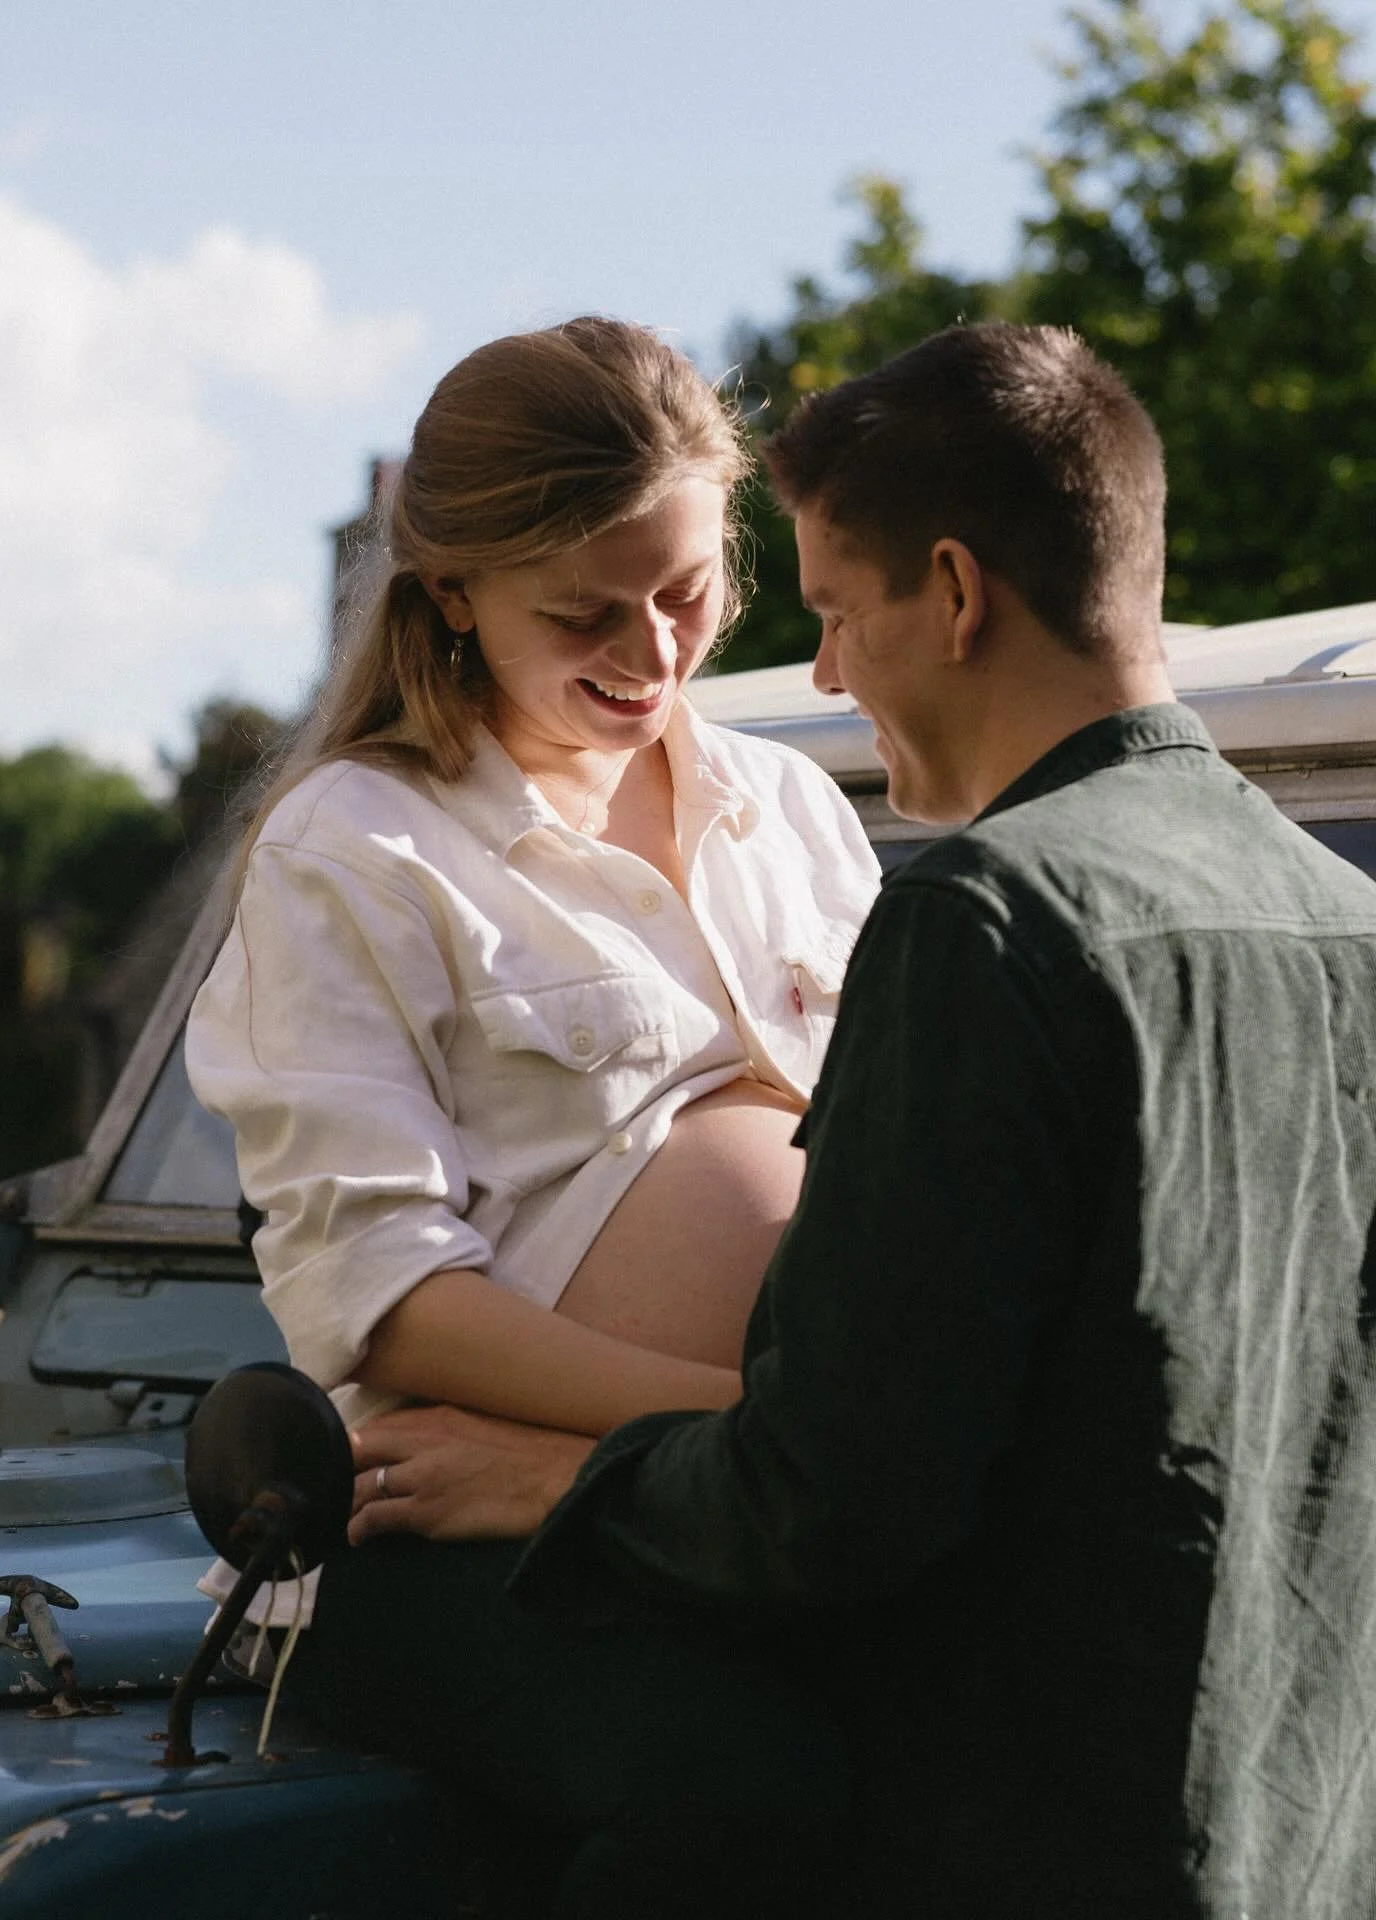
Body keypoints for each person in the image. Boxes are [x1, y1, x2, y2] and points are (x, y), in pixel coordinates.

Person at [353, 321, 1376, 1919]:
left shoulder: (988, 916)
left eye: (833, 613)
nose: (820, 672)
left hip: (1046, 1826)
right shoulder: (1348, 921)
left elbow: (842, 1497)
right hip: (1306, 1828)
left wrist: (559, 1481)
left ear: (956, 595)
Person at [184, 315, 880, 1914]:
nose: (653, 651)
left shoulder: (789, 809)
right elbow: (389, 1302)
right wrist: (738, 1429)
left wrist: (785, 1469)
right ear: (452, 593)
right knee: (747, 1792)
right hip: (466, 1542)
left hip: (762, 1511)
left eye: (689, 592)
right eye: (585, 612)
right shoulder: (355, 847)